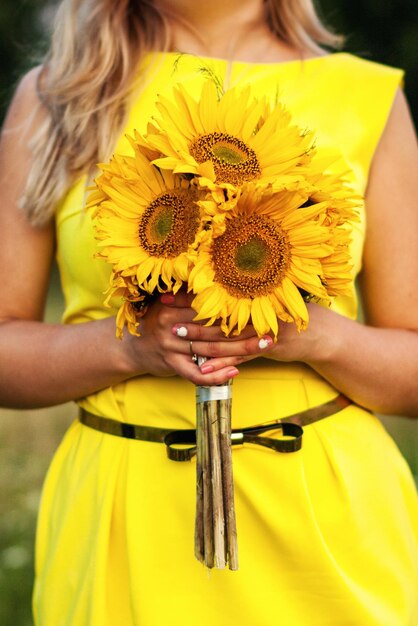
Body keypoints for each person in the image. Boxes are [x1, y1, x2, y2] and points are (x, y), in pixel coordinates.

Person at [0, 0, 417, 624]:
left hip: (325, 525)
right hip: (125, 513)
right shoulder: (61, 95)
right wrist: (128, 347)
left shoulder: (367, 96)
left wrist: (311, 336)